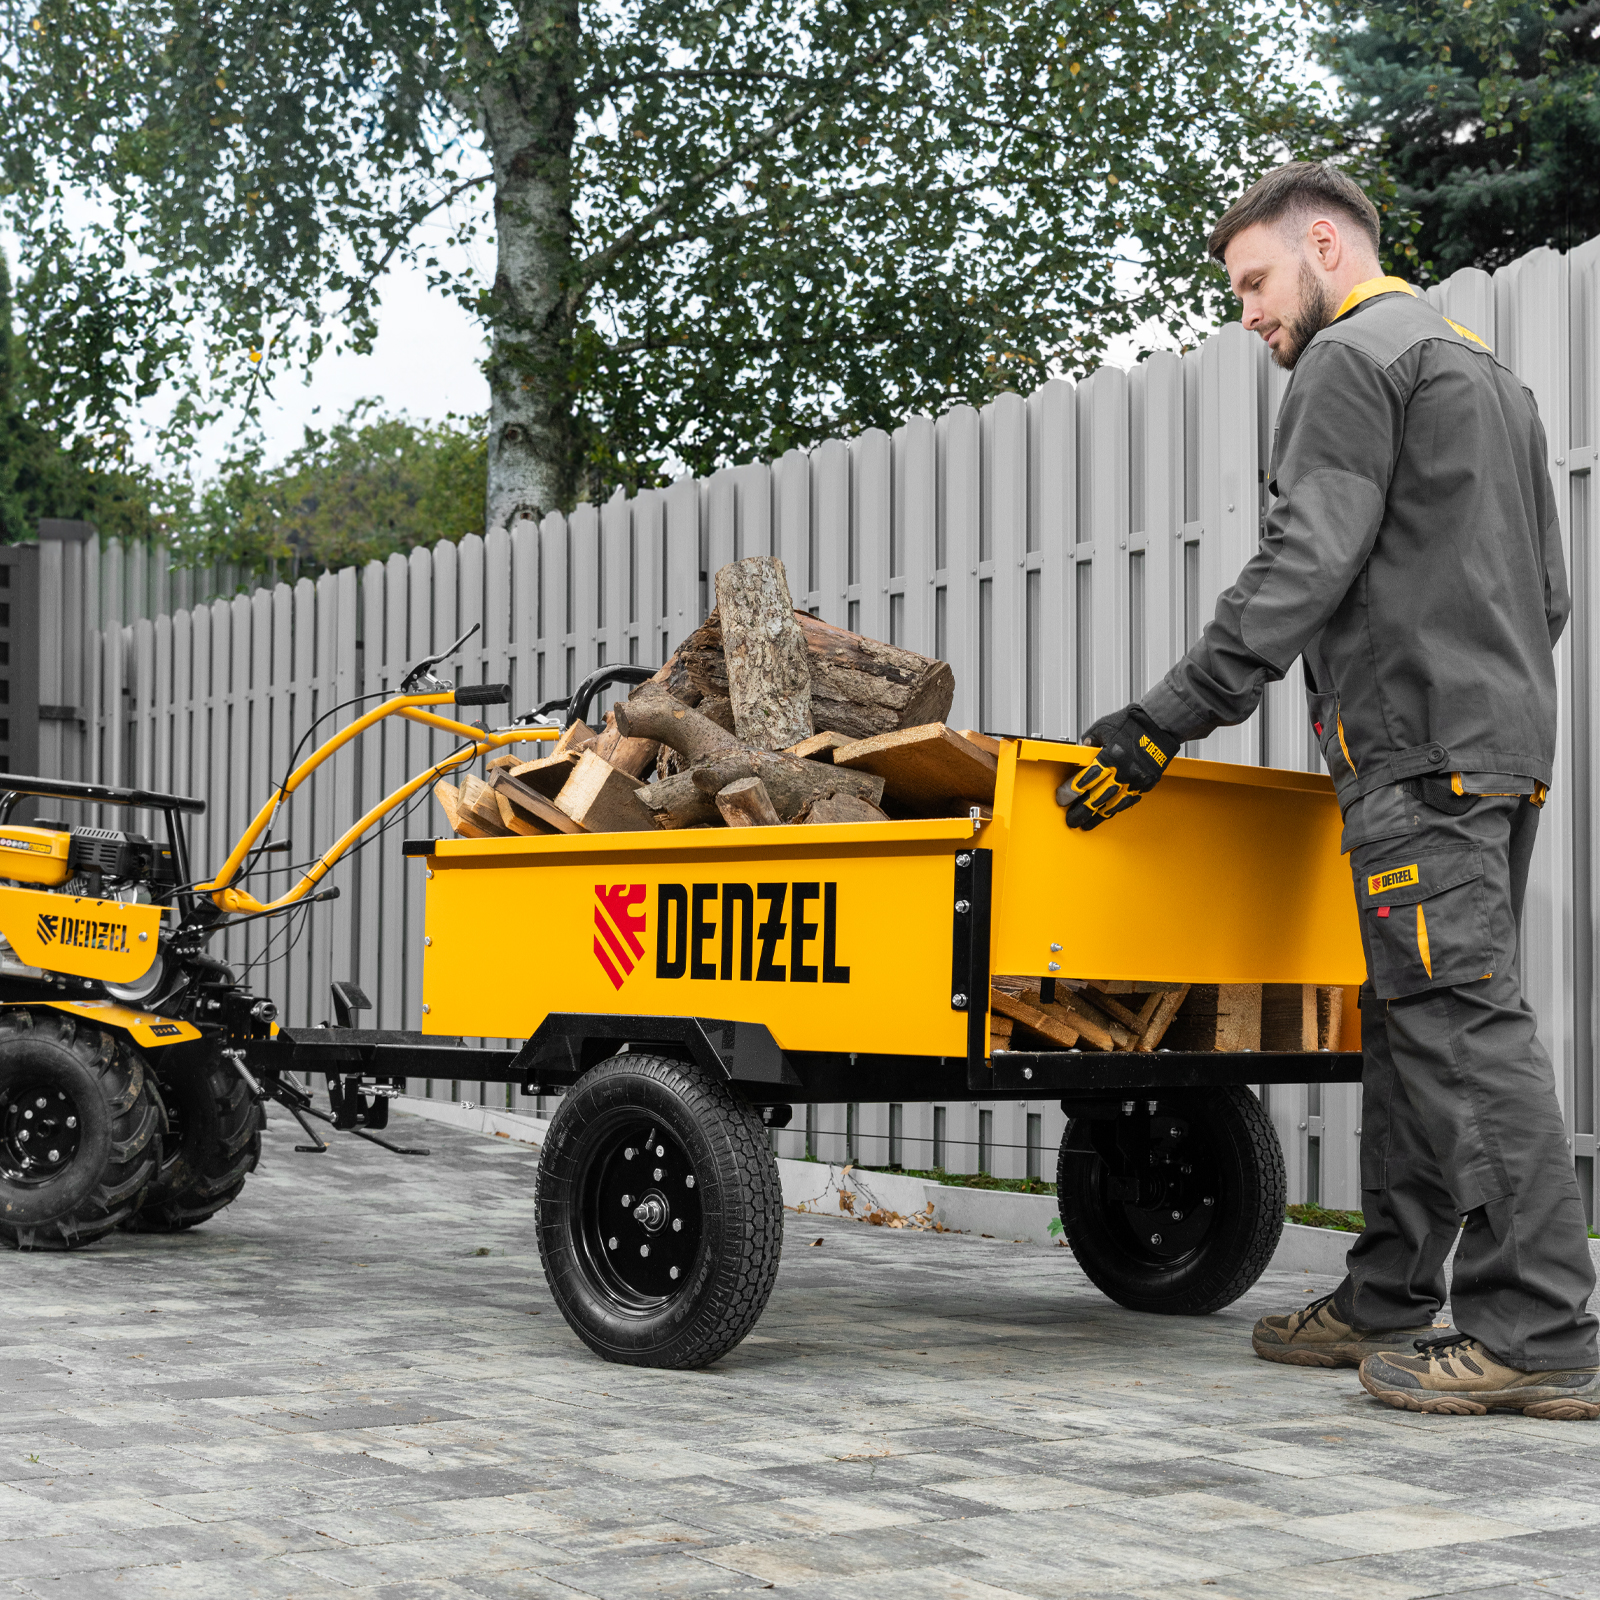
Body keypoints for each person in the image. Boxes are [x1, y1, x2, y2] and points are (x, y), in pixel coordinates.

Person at [1068, 160, 1599, 1420]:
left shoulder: (1350, 361)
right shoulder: (1488, 376)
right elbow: (1549, 593)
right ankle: (1386, 1295)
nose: (1248, 312)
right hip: (1497, 745)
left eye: (1254, 282)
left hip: (1417, 751)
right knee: (1415, 1024)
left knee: (1458, 1022)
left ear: (1323, 246)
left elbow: (1301, 562)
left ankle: (1542, 1328)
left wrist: (1163, 719)